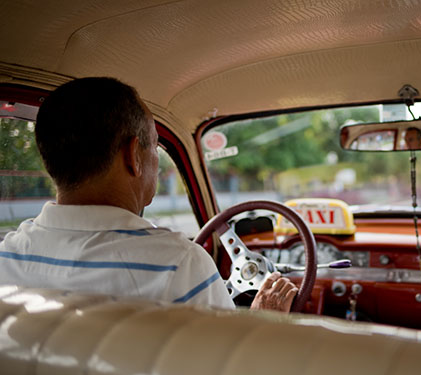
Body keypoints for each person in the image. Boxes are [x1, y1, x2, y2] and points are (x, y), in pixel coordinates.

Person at [0, 77, 297, 312]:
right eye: (154, 146)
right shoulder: (180, 266)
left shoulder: (6, 257)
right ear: (133, 155)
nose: (156, 159)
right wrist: (263, 319)